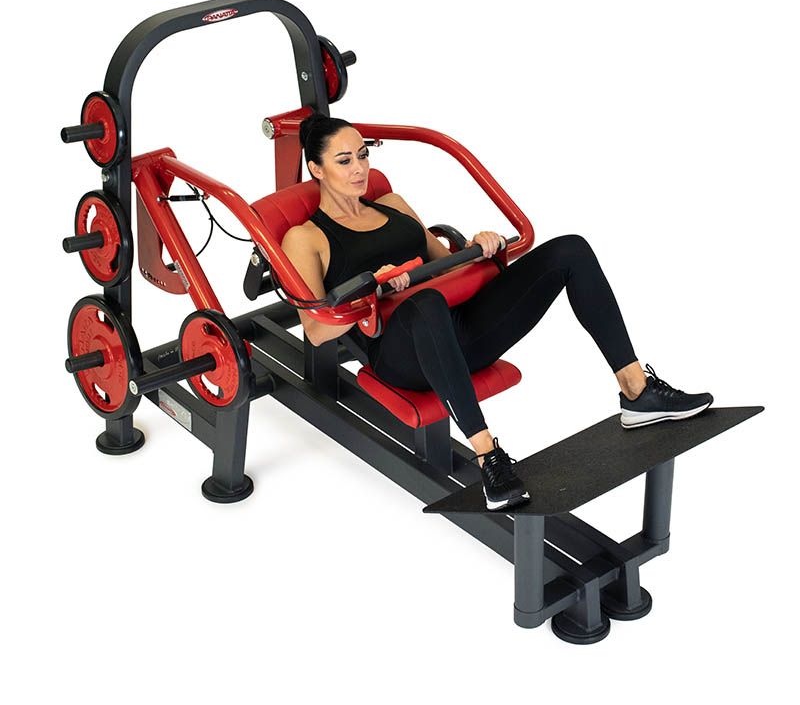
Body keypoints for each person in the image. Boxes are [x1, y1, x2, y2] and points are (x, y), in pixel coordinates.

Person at [280, 113, 713, 511]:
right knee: (424, 303)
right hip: (400, 356)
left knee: (571, 250)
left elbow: (446, 266)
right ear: (316, 169)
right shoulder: (306, 238)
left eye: (363, 155)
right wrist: (371, 288)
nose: (359, 169)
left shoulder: (392, 203)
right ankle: (489, 460)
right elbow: (315, 331)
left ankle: (637, 391)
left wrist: (479, 247)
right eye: (344, 161)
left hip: (458, 330)